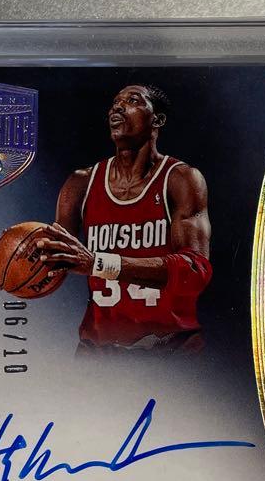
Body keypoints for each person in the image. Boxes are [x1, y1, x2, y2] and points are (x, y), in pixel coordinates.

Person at [34, 84, 211, 351]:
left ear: (157, 120)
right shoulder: (81, 183)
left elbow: (195, 271)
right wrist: (16, 254)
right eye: (115, 102)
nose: (117, 106)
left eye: (133, 100)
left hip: (169, 350)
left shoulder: (180, 179)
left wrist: (98, 263)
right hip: (99, 351)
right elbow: (54, 259)